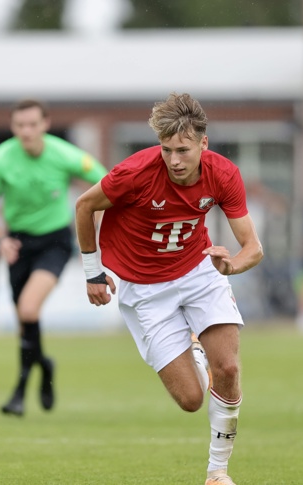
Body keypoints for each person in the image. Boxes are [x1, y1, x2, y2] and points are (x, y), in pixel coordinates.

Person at [75, 93, 263, 485]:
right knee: (191, 400)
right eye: (166, 150)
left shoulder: (223, 174)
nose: (174, 160)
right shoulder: (135, 172)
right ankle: (195, 348)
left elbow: (253, 248)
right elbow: (84, 206)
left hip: (199, 271)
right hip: (144, 289)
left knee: (228, 368)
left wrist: (230, 265)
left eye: (183, 150)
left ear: (203, 143)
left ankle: (217, 473)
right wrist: (93, 274)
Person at [0, 98, 108, 416]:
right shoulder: (2, 158)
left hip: (55, 242)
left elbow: (107, 184)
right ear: (12, 127)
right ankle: (45, 366)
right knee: (25, 322)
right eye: (20, 125)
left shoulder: (64, 154)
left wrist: (96, 229)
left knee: (28, 309)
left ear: (45, 124)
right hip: (18, 244)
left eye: (33, 124)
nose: (26, 131)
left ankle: (19, 393)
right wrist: (0, 239)